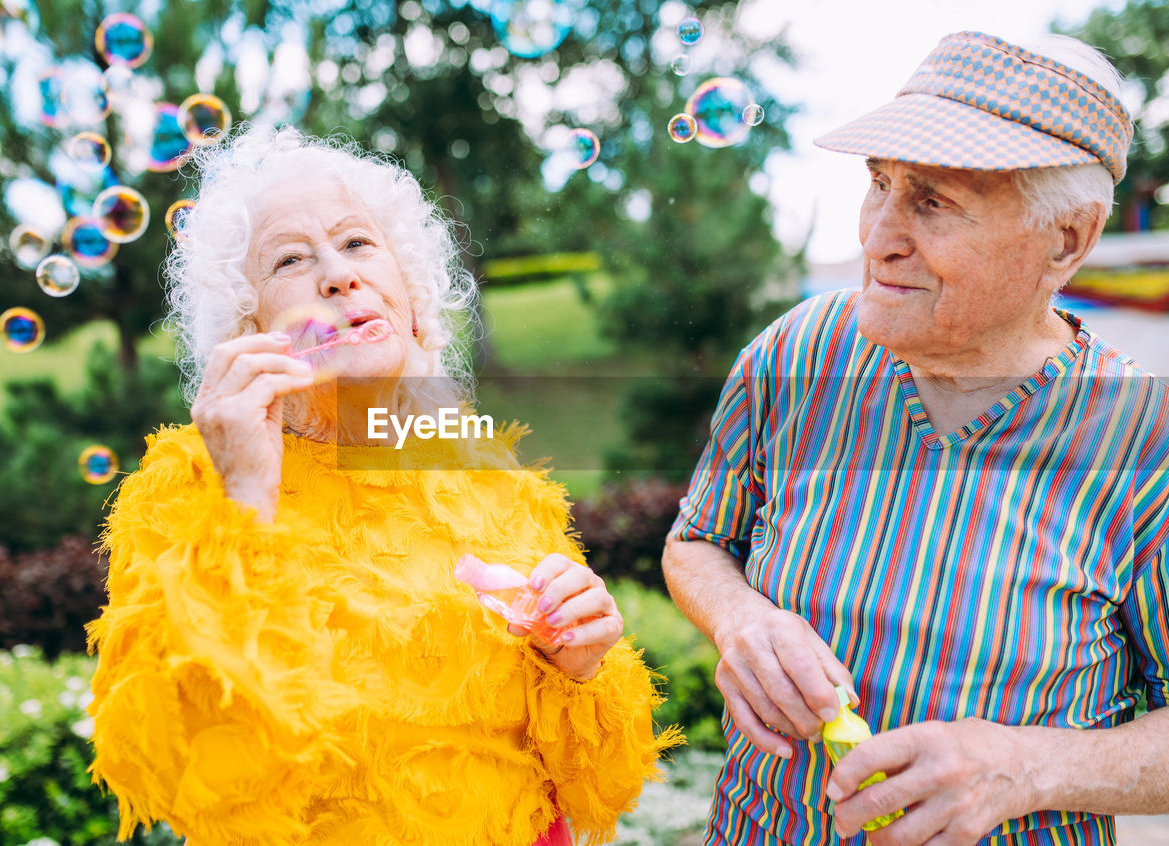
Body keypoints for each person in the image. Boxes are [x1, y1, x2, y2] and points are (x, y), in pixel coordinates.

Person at [85, 125, 681, 846]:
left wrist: (584, 664)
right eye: (290, 260)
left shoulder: (484, 475)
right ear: (248, 325)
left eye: (359, 243)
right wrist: (244, 492)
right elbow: (181, 768)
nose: (337, 274)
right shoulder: (185, 486)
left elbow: (601, 786)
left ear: (412, 293)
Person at [663, 31, 1169, 846]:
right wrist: (739, 619)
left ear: (1067, 240)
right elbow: (696, 544)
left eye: (933, 201)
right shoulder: (796, 353)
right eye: (879, 185)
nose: (877, 236)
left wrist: (1026, 769)